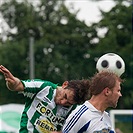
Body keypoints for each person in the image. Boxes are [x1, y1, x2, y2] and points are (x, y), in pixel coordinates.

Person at [0, 65, 90, 133]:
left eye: (68, 103)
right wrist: (12, 82)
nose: (62, 102)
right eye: (65, 96)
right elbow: (18, 85)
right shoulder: (43, 87)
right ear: (64, 84)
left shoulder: (74, 109)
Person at [51, 71, 123, 133]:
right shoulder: (81, 115)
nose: (120, 94)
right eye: (118, 90)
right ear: (107, 91)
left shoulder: (106, 117)